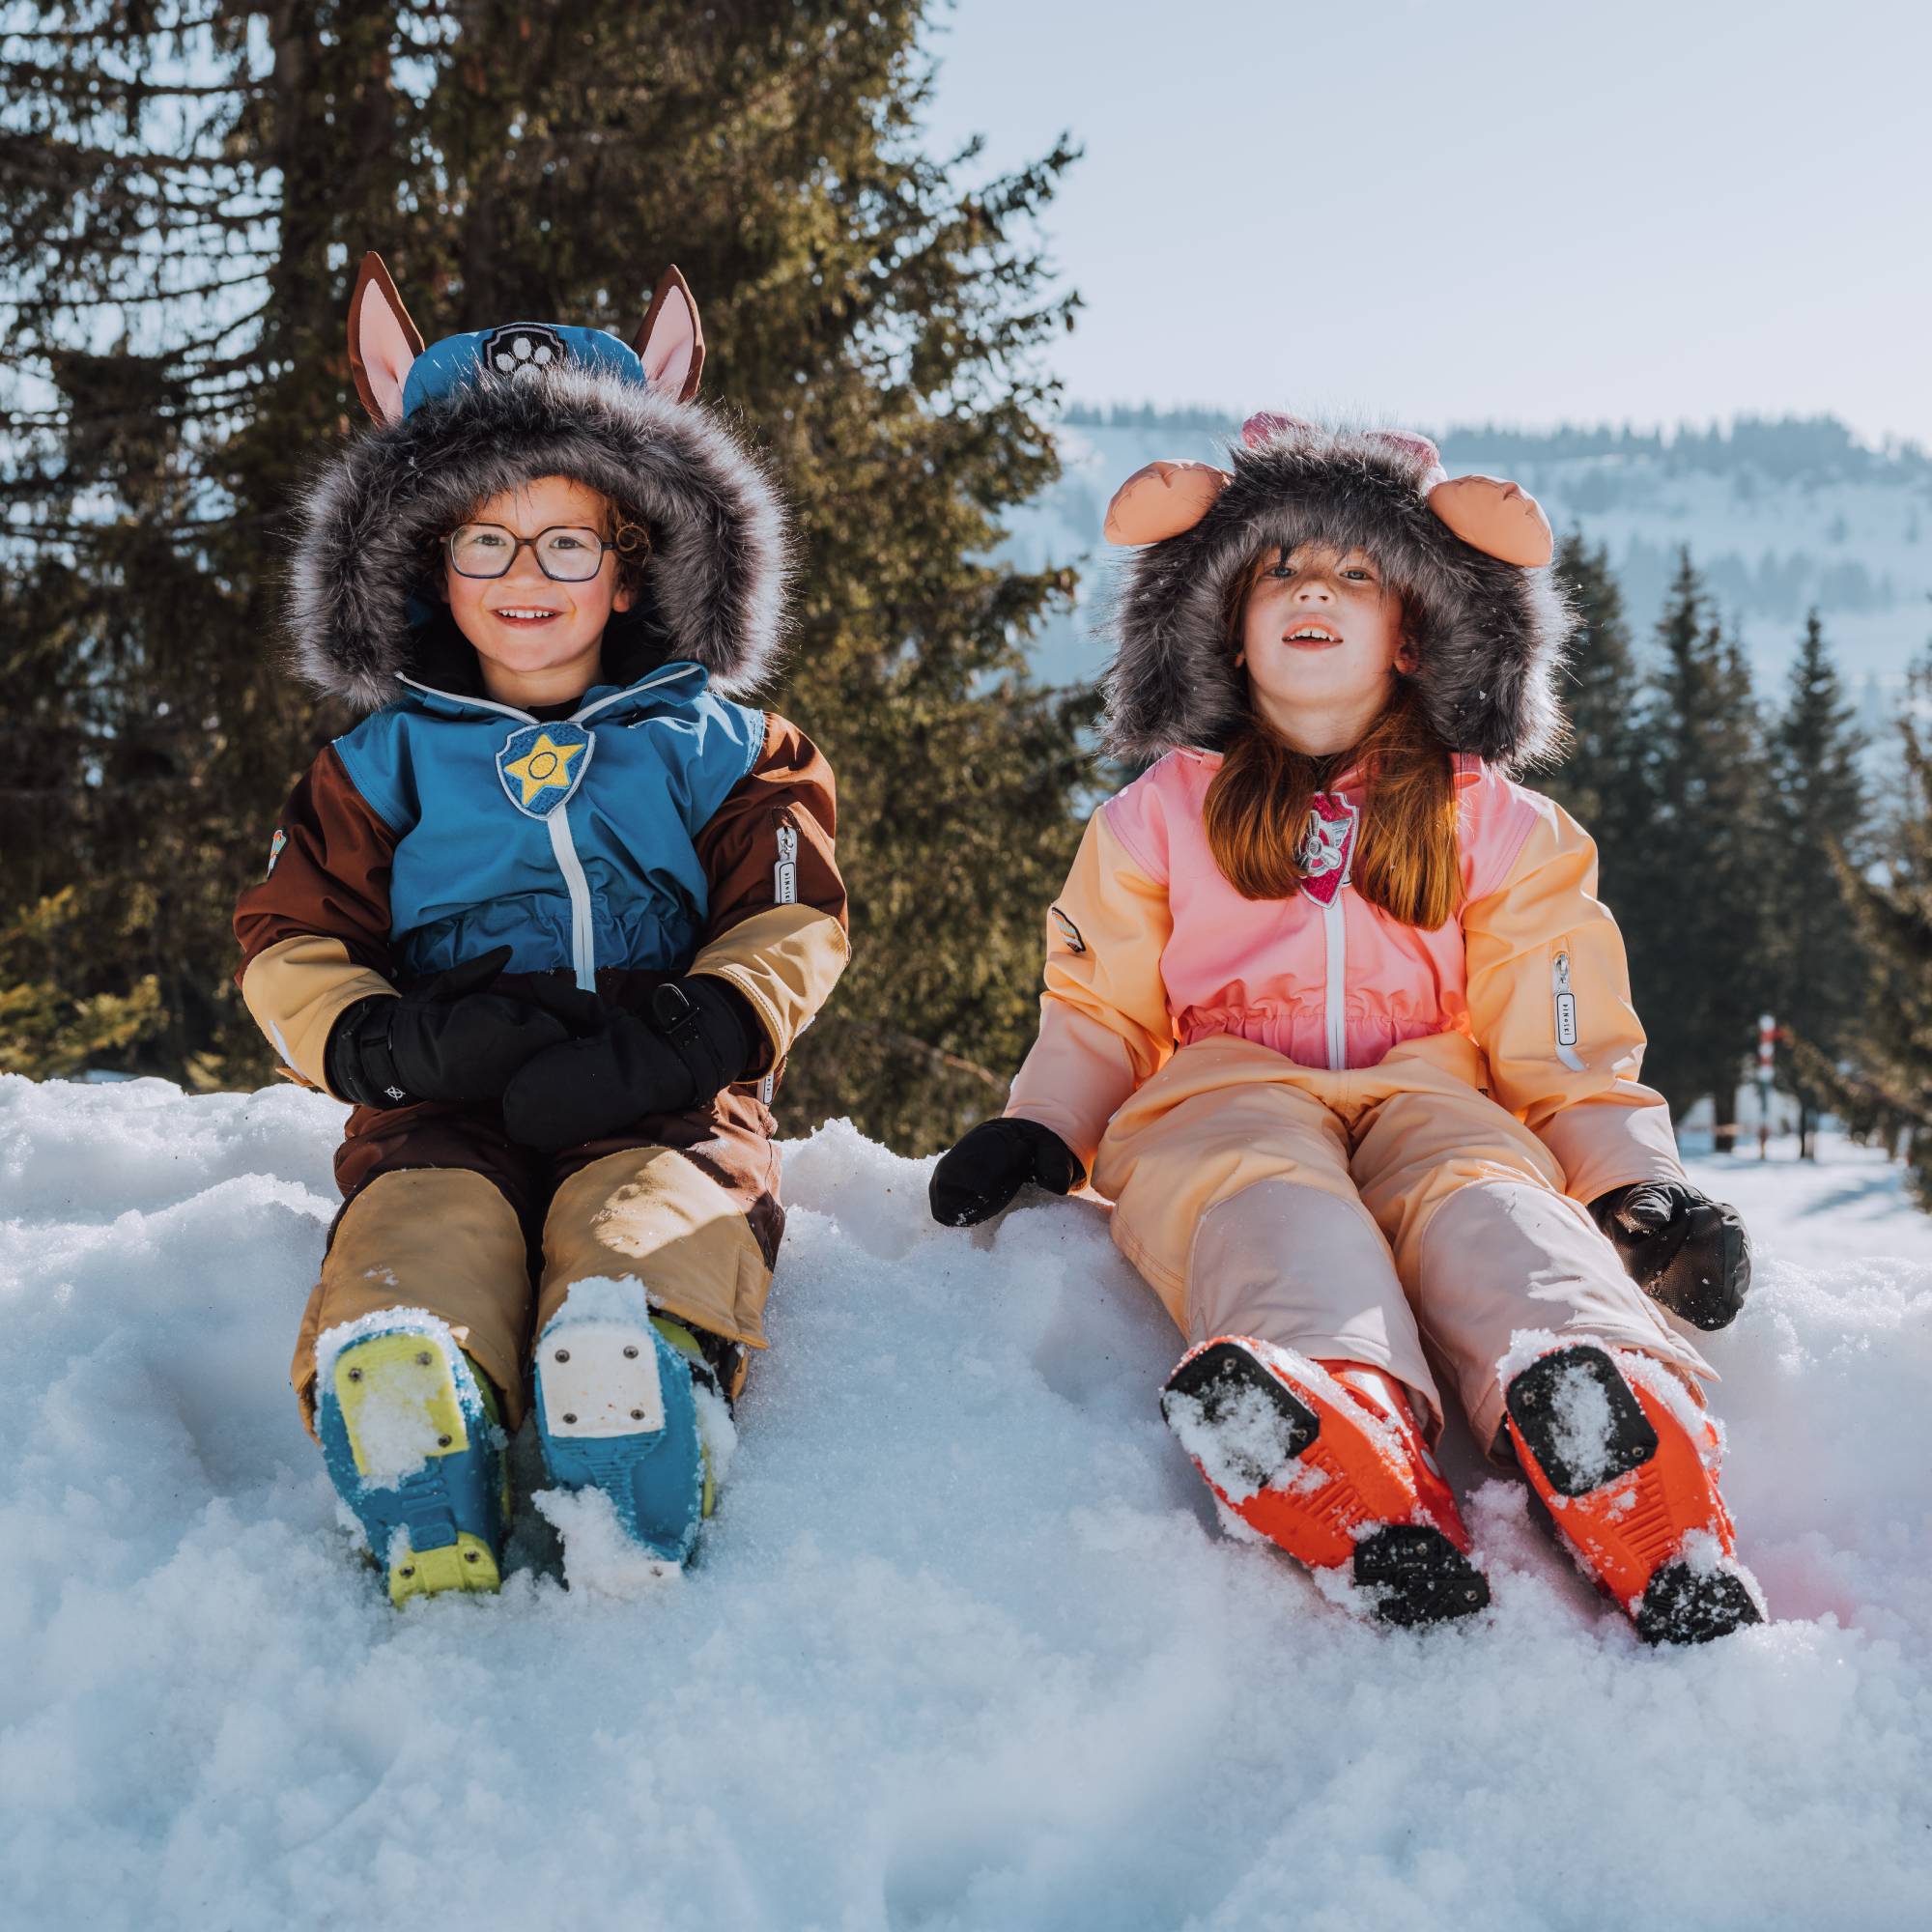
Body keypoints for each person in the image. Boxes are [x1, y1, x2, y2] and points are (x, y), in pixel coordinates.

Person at [929, 414, 1758, 1644]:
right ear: (1221, 618)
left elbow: (1562, 1038)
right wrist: (1042, 1125)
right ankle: (1332, 1428)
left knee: (1494, 1207)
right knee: (1268, 1205)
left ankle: (1611, 1422)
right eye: (1278, 568)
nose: (1313, 586)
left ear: (1413, 625)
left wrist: (1633, 1181)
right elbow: (1099, 1006)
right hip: (1222, 1094)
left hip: (1435, 1102)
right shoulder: (1158, 817)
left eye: (1355, 571)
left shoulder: (1499, 826)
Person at [235, 255, 847, 1604]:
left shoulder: (721, 745)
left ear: (628, 574)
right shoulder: (381, 762)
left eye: (567, 544)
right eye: (487, 544)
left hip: (657, 1080)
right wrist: (389, 1044)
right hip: (448, 1080)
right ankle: (413, 1404)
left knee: (652, 1215)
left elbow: (788, 906)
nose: (529, 577)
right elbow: (288, 937)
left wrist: (700, 1032)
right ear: (427, 570)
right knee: (424, 1218)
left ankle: (638, 1385)